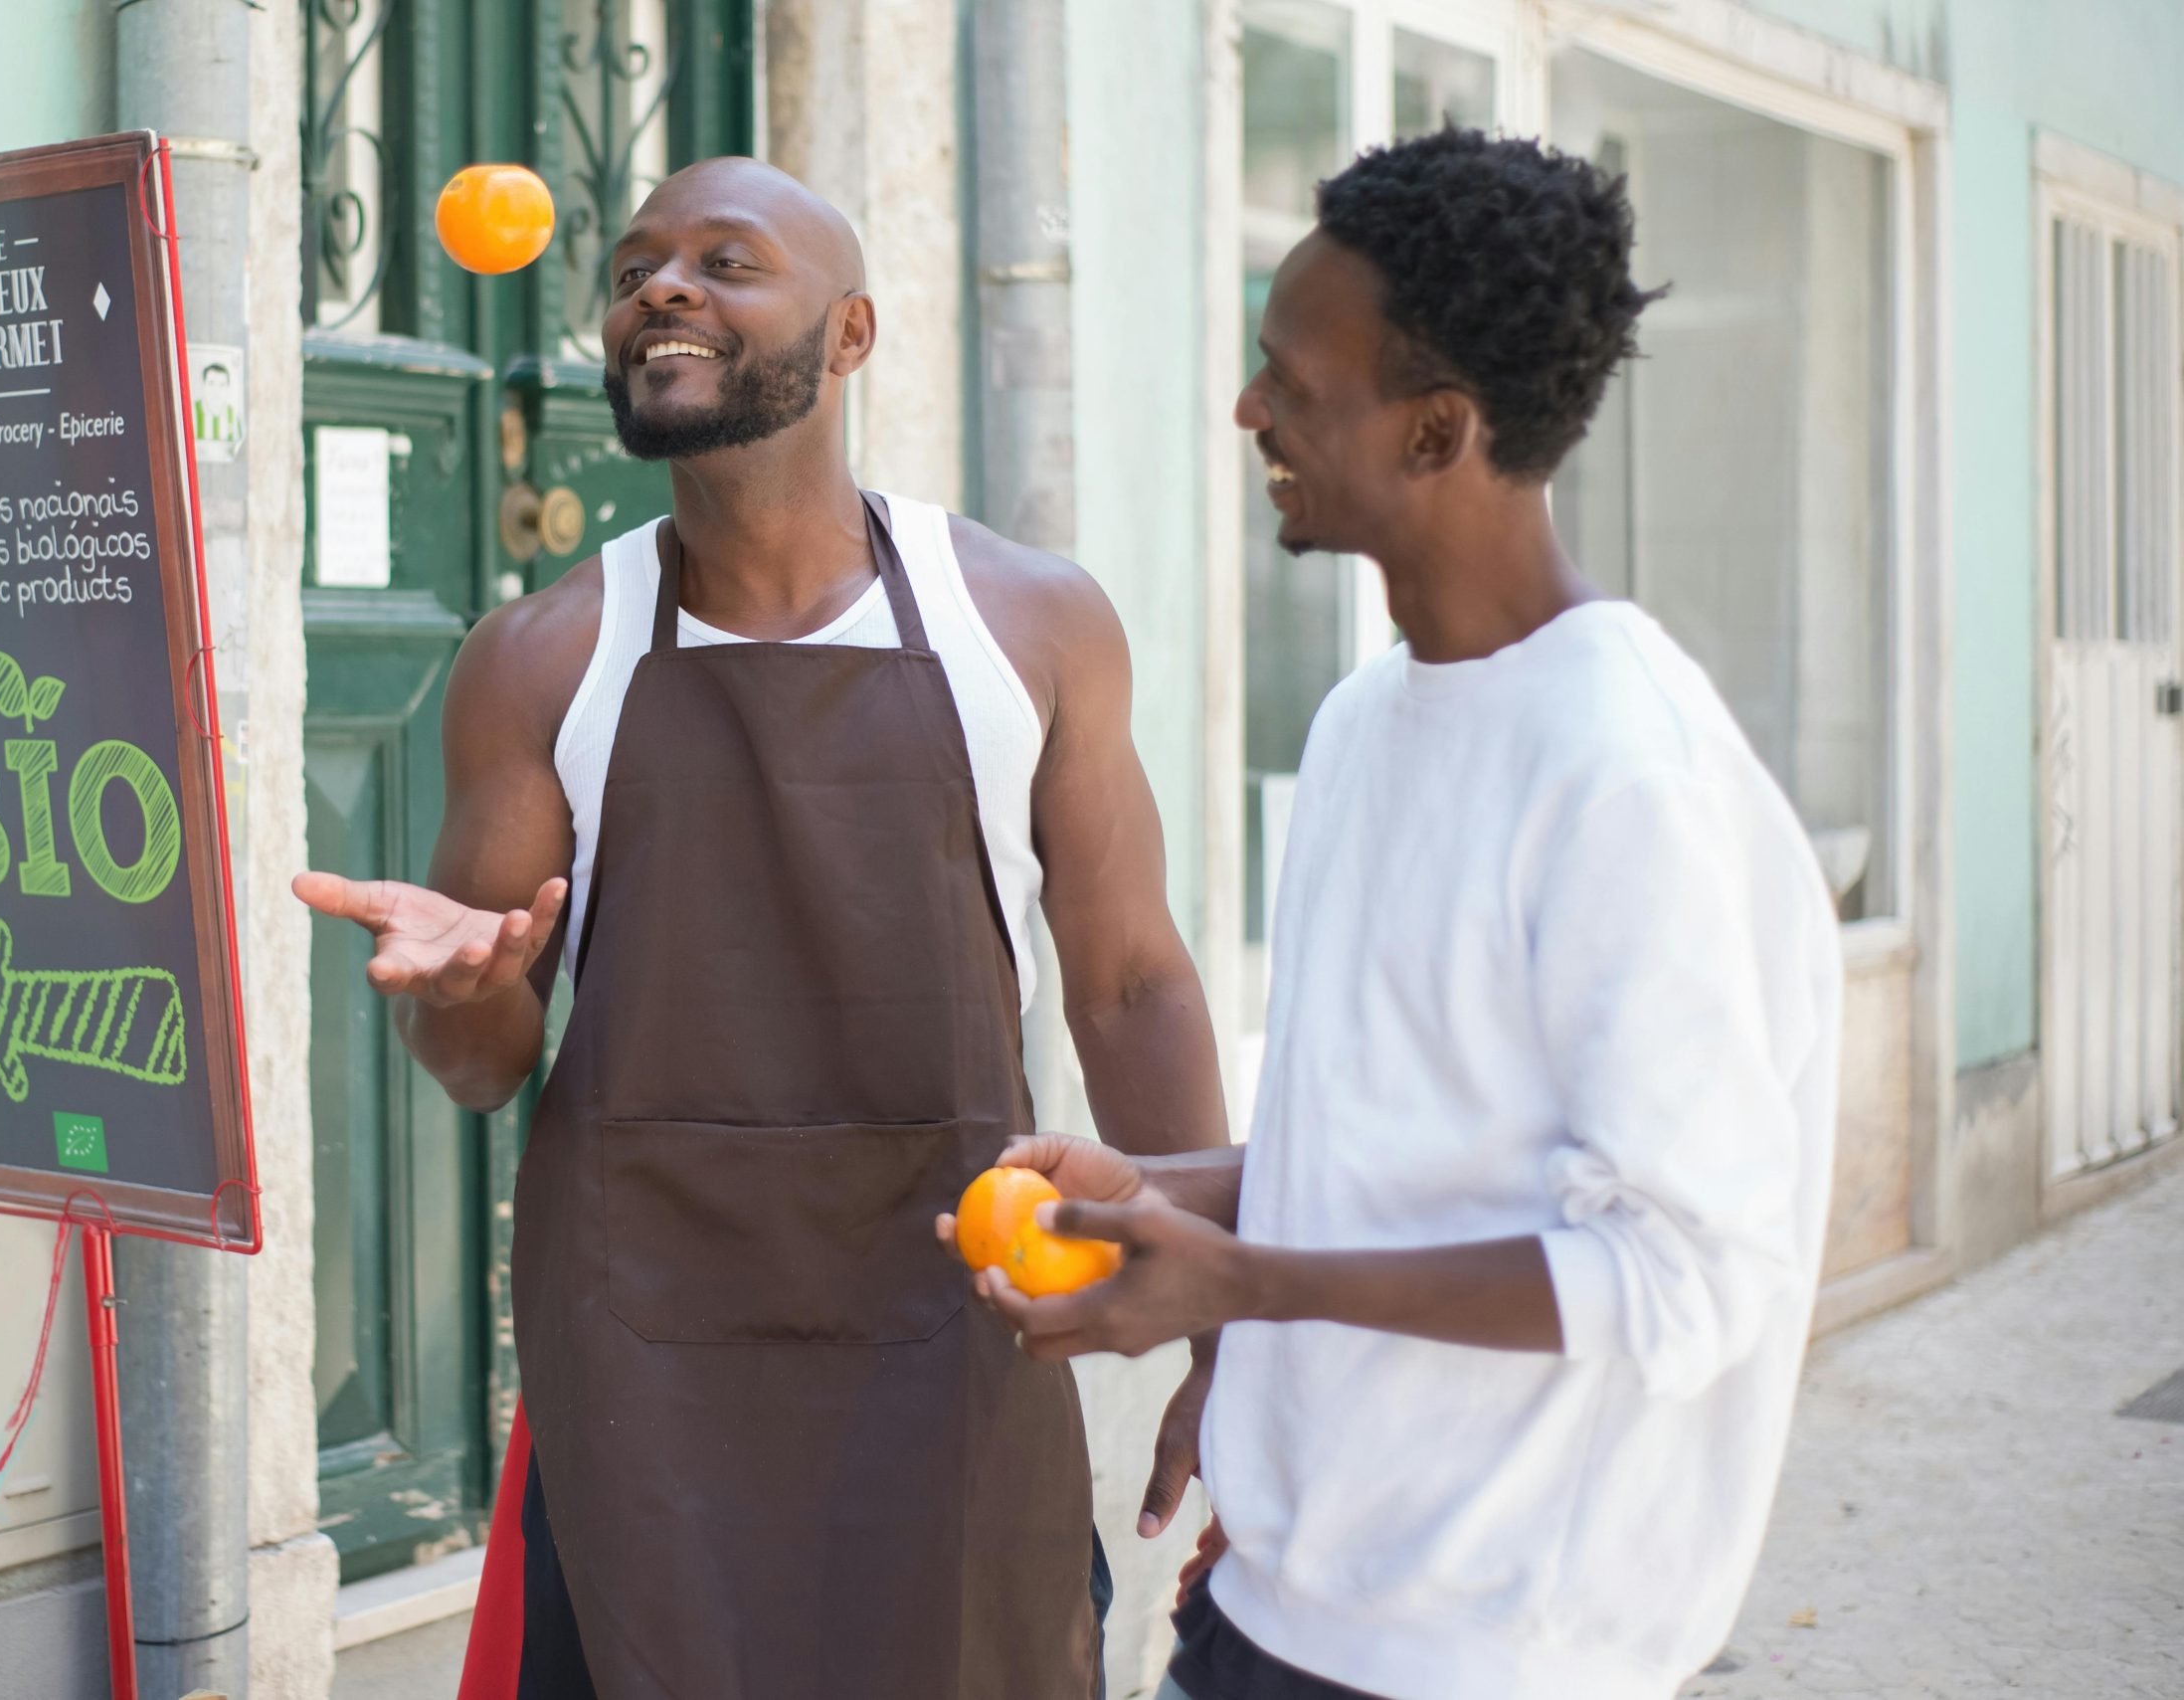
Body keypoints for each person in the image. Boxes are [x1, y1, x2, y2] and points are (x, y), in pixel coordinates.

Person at [293, 156, 1229, 1700]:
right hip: (646, 1361)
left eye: (727, 262)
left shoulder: (1030, 622)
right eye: (635, 267)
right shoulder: (537, 659)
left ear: (851, 333)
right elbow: (477, 1064)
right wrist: (461, 991)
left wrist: (1215, 1298)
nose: (661, 287)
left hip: (957, 1321)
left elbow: (1128, 983)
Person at [969, 129, 1844, 1700]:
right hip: (1283, 1599)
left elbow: (1685, 1276)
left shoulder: (1626, 773)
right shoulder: (1369, 722)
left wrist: (1247, 1285)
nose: (1249, 412)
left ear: (1437, 431)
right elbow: (1404, 1156)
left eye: (1291, 386)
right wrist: (1165, 1190)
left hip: (1492, 1652)